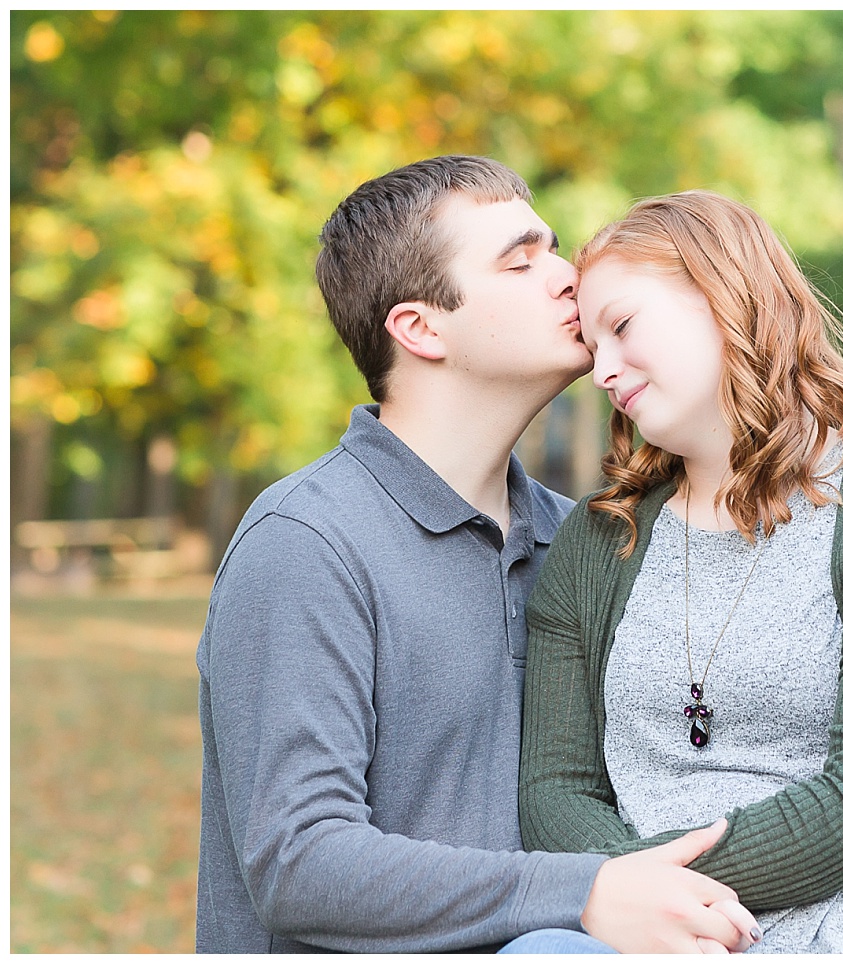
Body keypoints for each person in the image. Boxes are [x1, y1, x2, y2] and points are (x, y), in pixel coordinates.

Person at [194, 157, 761, 954]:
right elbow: (299, 862)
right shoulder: (307, 542)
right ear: (421, 328)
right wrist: (582, 893)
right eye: (521, 262)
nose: (569, 276)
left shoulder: (591, 539)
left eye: (554, 249)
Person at [518, 190, 843, 952]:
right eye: (591, 345)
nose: (603, 370)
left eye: (624, 326)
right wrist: (628, 898)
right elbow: (554, 792)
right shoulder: (597, 542)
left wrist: (651, 884)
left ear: (725, 293)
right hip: (633, 933)